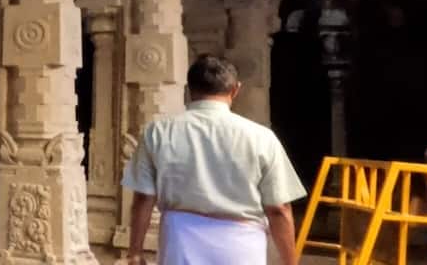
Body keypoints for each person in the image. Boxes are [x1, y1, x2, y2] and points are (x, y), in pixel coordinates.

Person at [121, 55, 308, 264]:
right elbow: (279, 209)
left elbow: (144, 198)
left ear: (188, 90)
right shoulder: (261, 137)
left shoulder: (158, 132)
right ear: (235, 89)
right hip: (241, 246)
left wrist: (135, 252)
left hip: (180, 242)